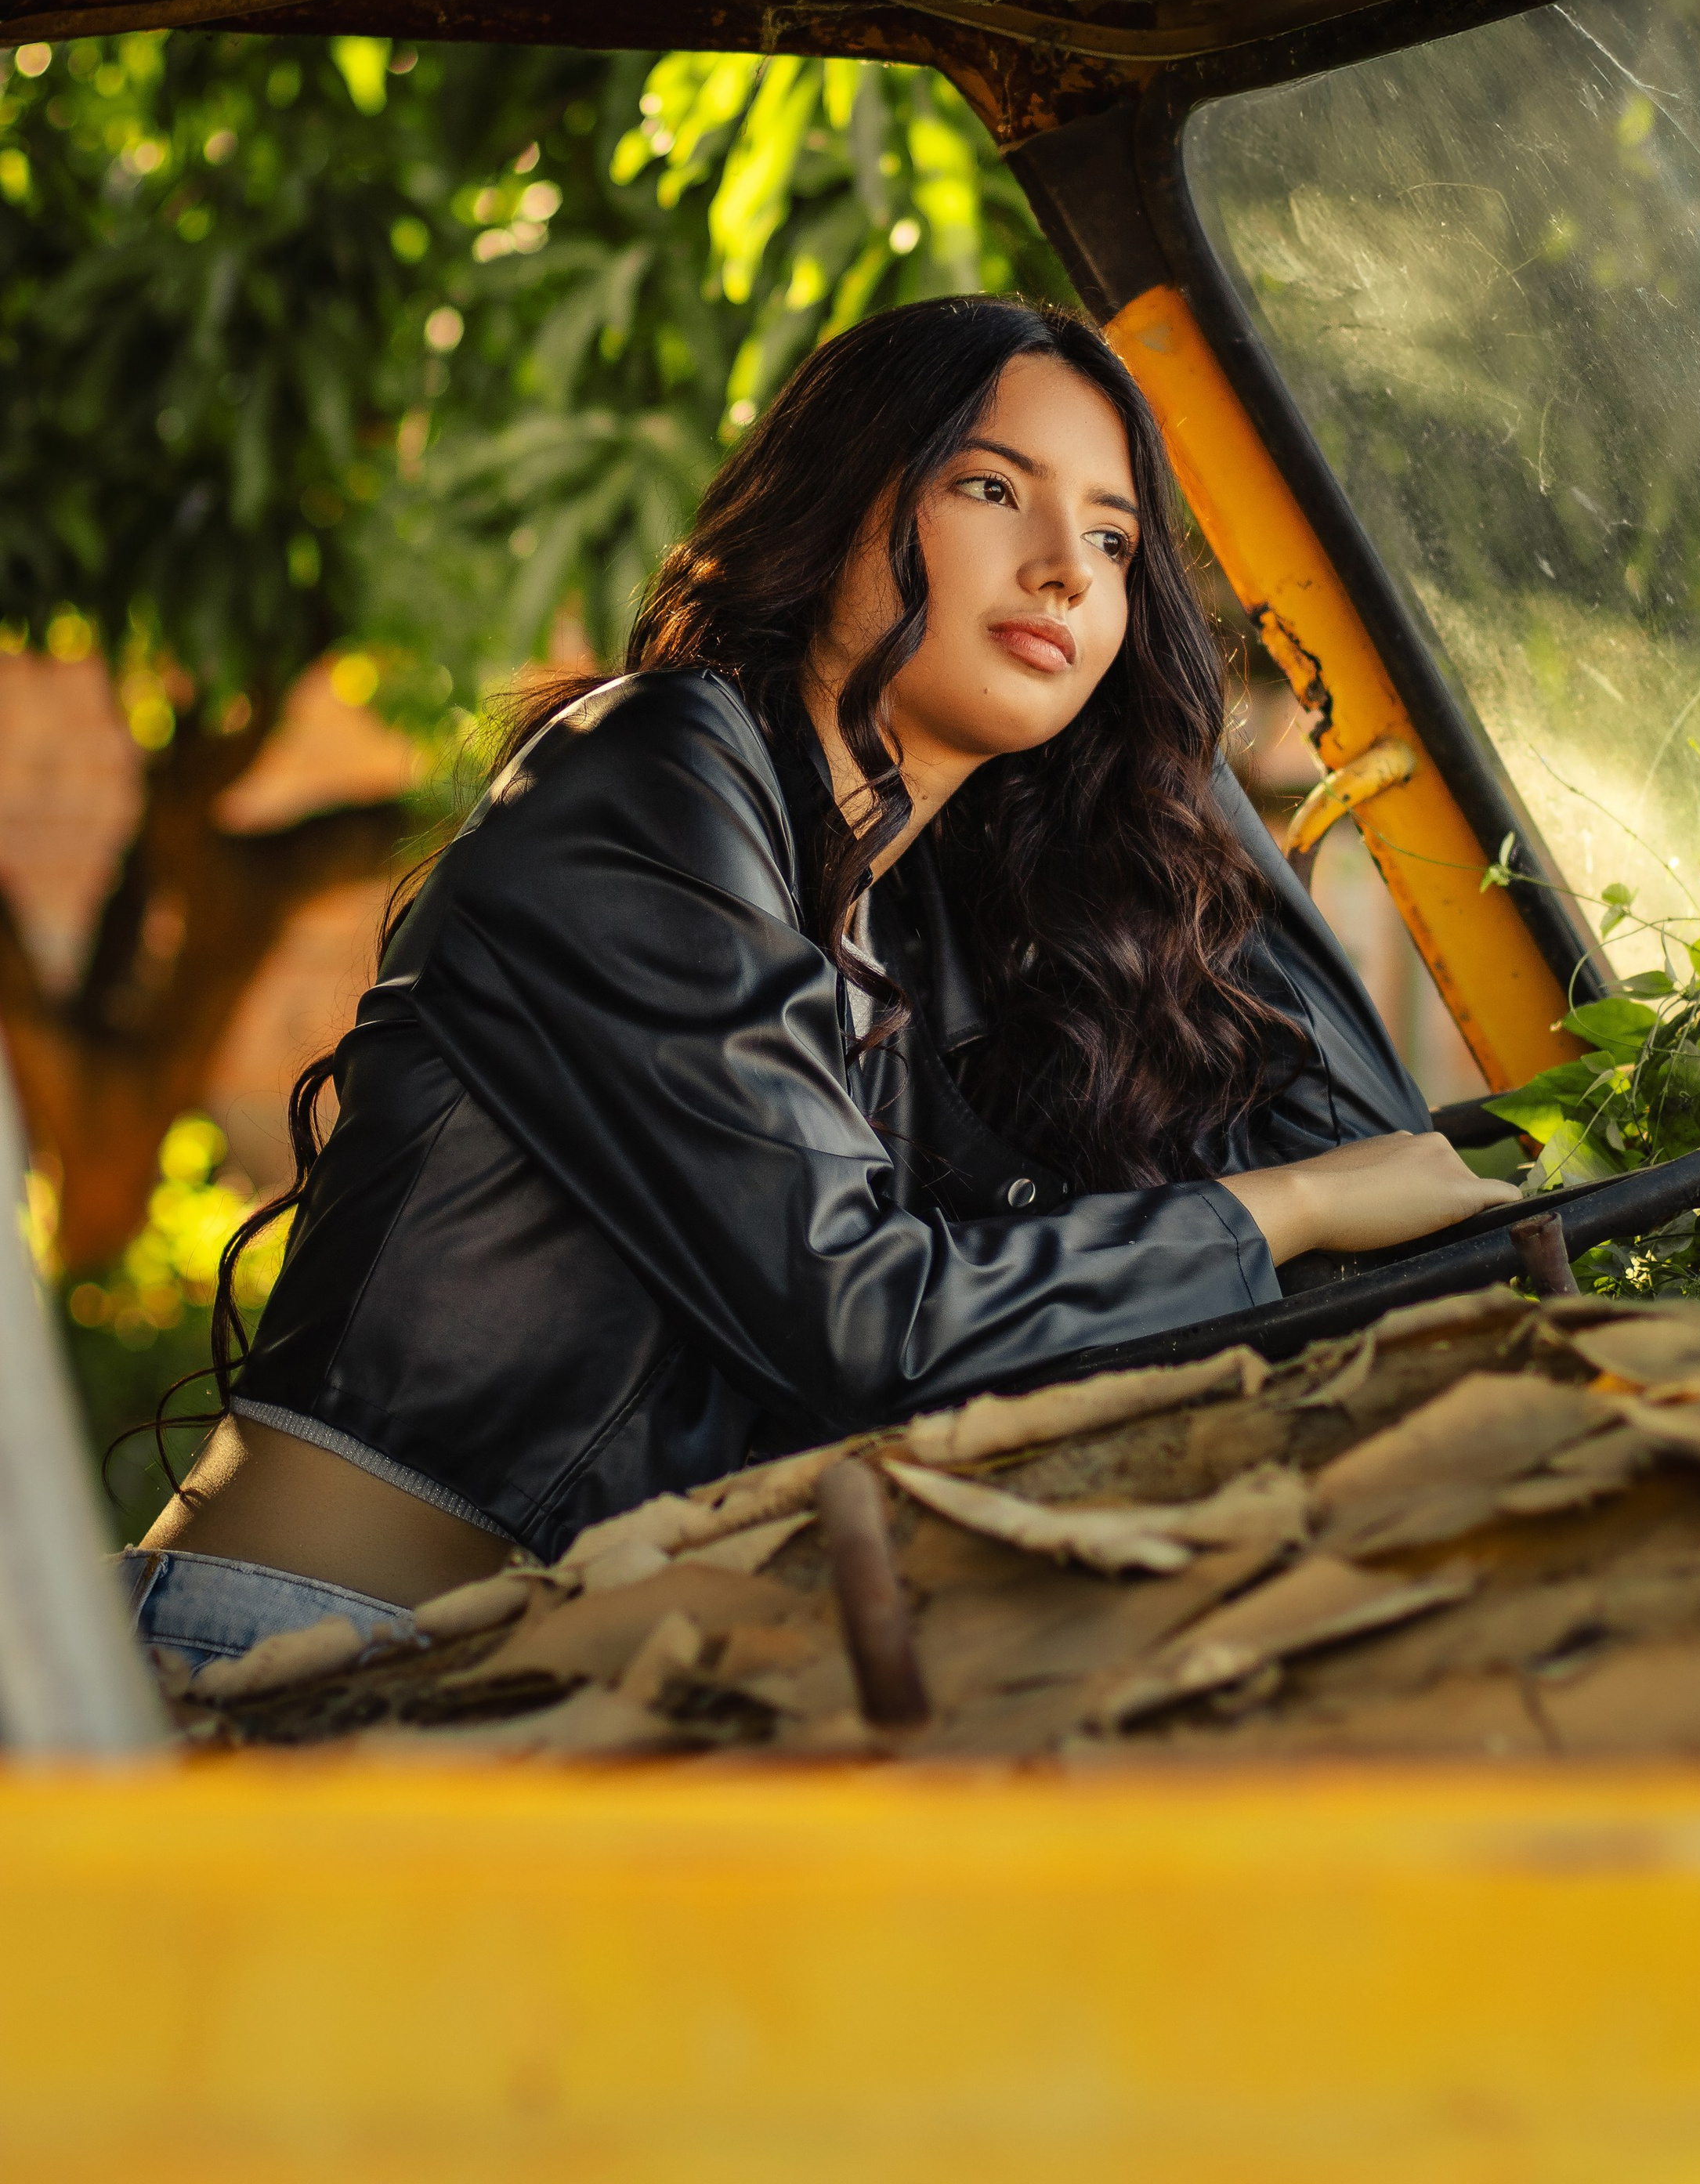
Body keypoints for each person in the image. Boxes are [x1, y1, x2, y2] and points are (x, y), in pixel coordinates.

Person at [128, 296, 1517, 1672]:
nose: (1066, 573)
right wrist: (1298, 1206)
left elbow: (1334, 1132)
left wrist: (1166, 750)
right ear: (840, 497)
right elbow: (867, 1324)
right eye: (992, 489)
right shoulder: (655, 771)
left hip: (517, 1695)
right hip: (273, 1653)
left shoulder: (894, 933)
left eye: (1115, 541)